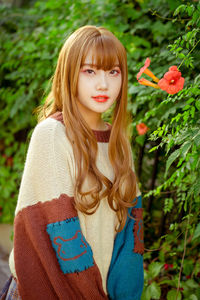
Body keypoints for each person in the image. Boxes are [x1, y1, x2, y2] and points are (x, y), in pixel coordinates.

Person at [0, 25, 144, 300]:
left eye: (113, 72)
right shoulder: (52, 135)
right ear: (69, 74)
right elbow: (58, 236)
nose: (103, 84)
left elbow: (130, 234)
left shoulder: (119, 141)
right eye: (89, 71)